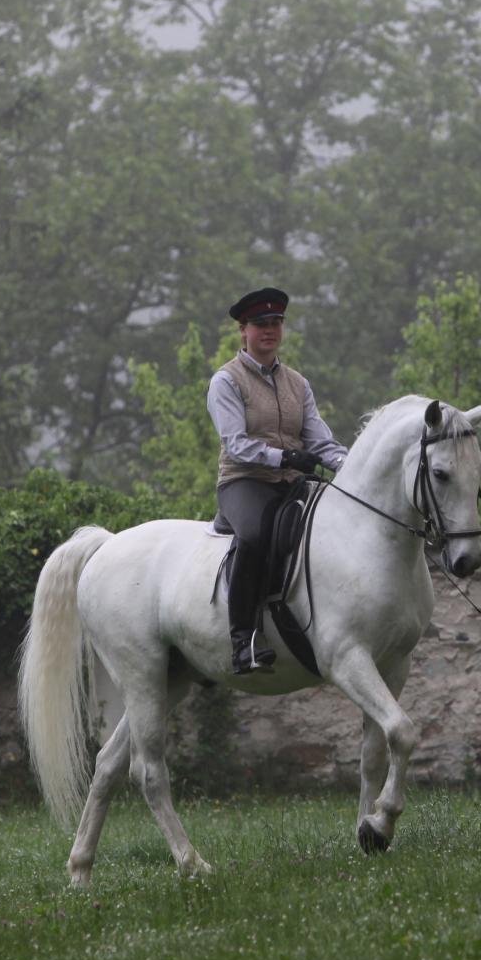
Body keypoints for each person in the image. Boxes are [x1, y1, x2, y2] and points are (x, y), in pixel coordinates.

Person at [207, 287, 348, 673]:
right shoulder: (226, 381)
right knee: (254, 534)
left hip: (291, 481)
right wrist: (283, 455)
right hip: (244, 480)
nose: (269, 330)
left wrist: (351, 466)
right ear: (243, 330)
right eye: (260, 324)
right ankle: (243, 639)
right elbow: (236, 445)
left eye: (275, 324)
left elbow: (320, 439)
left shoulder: (298, 384)